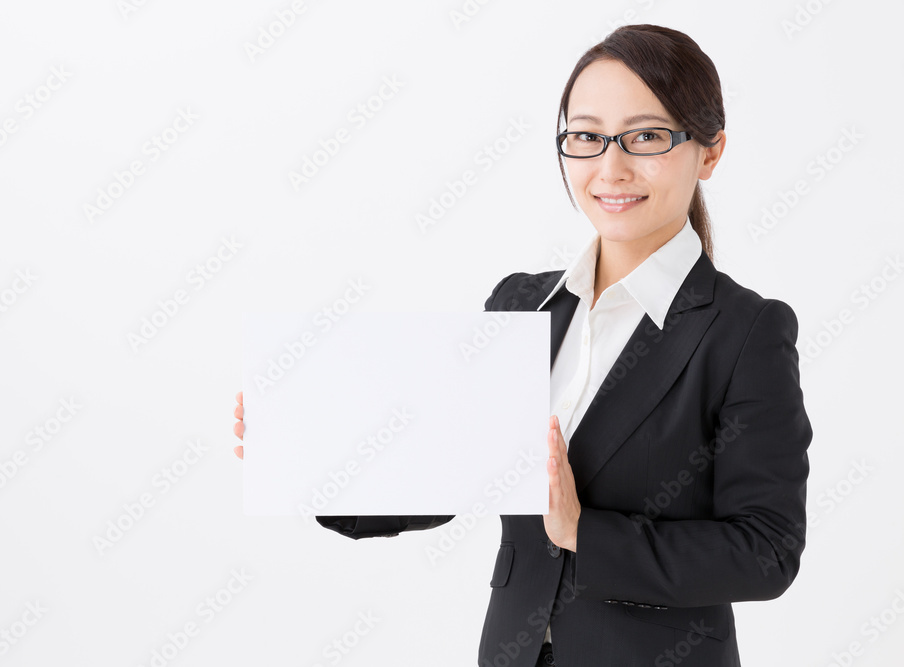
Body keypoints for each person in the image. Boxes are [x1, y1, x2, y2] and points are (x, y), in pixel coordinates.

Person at [234, 24, 812, 667]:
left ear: (709, 152)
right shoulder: (522, 304)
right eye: (587, 137)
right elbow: (451, 475)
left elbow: (767, 551)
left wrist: (582, 534)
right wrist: (306, 456)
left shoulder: (744, 332)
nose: (610, 167)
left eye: (647, 136)